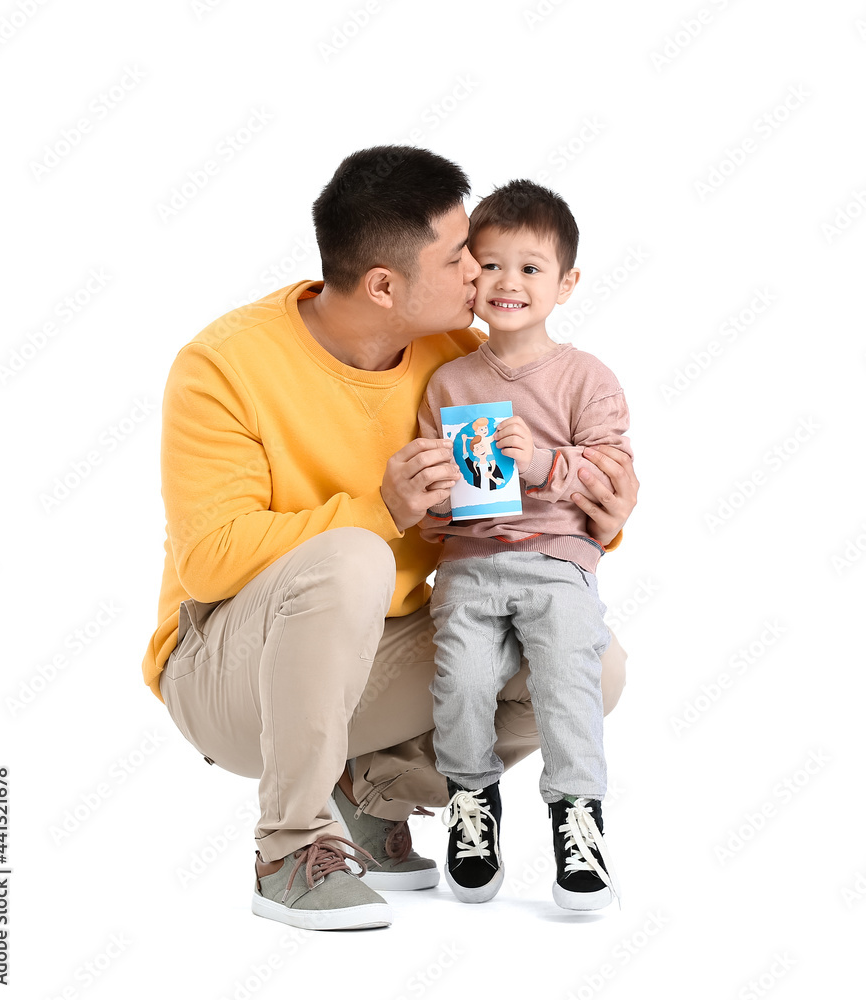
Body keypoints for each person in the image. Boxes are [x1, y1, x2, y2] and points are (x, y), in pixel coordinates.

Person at [142, 147, 639, 930]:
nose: (482, 274)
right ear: (384, 285)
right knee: (353, 553)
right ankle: (290, 848)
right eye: (460, 258)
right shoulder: (223, 366)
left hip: (372, 652)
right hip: (223, 672)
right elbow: (210, 562)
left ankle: (372, 792)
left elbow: (505, 510)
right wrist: (382, 511)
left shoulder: (455, 362)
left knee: (589, 665)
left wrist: (599, 512)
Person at [417, 179, 633, 911]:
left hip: (557, 565)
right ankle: (471, 805)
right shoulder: (448, 382)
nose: (509, 283)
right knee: (461, 683)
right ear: (470, 277)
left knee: (569, 680)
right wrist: (439, 492)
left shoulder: (586, 377)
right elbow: (431, 518)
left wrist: (541, 462)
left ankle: (579, 817)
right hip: (470, 568)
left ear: (566, 283)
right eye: (493, 266)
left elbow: (614, 474)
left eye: (532, 268)